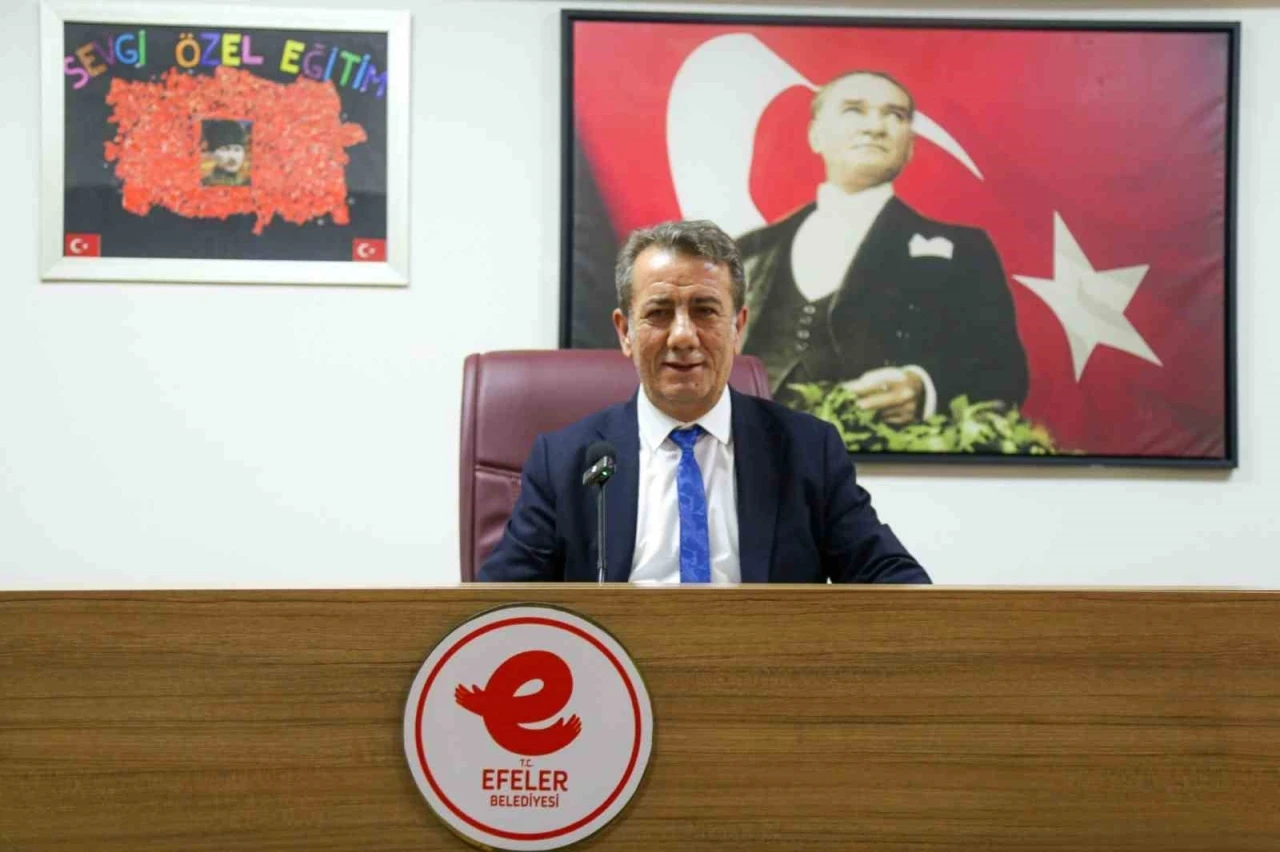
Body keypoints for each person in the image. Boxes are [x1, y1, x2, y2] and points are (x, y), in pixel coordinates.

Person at [478, 219, 929, 585]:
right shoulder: (566, 461)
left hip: (759, 667)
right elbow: (498, 607)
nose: (682, 336)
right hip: (616, 670)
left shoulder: (808, 450)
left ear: (738, 328)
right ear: (625, 332)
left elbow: (893, 581)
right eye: (658, 313)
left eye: (705, 310)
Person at [737, 71, 1028, 424]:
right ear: (815, 135)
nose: (875, 127)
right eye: (853, 110)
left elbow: (1005, 372)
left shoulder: (964, 251)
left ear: (911, 145)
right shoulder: (750, 250)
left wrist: (924, 387)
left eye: (894, 115)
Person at [201, 120, 251, 187]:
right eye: (226, 149)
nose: (232, 157)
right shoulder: (205, 185)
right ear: (213, 153)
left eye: (237, 150)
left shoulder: (248, 184)